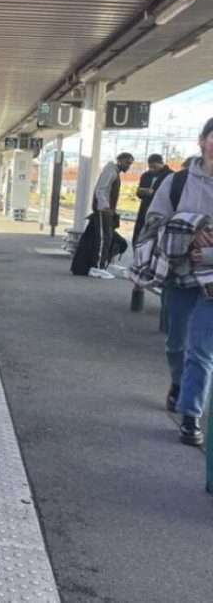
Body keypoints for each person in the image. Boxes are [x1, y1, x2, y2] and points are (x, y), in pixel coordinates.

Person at [146, 119, 213, 445]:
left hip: (211, 283)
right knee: (177, 345)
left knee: (200, 349)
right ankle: (178, 382)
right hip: (178, 275)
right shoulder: (177, 181)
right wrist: (191, 229)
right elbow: (154, 221)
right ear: (202, 141)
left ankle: (191, 416)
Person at [88, 151, 134, 279]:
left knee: (107, 238)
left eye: (130, 164)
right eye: (126, 163)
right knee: (104, 239)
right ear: (119, 161)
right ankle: (97, 267)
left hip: (106, 210)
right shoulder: (110, 171)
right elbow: (100, 189)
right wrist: (105, 206)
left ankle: (100, 266)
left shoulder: (114, 172)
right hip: (103, 211)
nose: (128, 166)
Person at [133, 153, 173, 247]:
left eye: (154, 167)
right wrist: (141, 192)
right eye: (150, 167)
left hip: (161, 211)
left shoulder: (170, 176)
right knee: (140, 231)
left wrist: (154, 194)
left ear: (161, 163)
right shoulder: (146, 175)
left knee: (155, 235)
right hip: (145, 208)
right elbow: (139, 192)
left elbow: (171, 195)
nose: (152, 169)